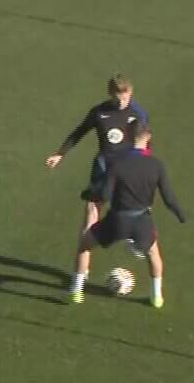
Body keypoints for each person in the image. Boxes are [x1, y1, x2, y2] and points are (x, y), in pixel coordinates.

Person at [70, 126, 184, 307]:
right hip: (142, 221)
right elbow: (169, 198)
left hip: (117, 220)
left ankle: (76, 291)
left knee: (85, 245)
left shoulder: (117, 163)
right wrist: (181, 215)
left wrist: (90, 194)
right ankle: (157, 297)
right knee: (154, 254)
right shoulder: (157, 165)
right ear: (148, 138)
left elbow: (105, 195)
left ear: (129, 138)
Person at [45, 75, 149, 232]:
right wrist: (60, 154)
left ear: (131, 92)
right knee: (92, 207)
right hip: (104, 165)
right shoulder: (99, 112)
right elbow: (80, 131)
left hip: (128, 166)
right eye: (117, 97)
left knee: (132, 207)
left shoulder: (138, 113)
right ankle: (85, 246)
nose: (121, 102)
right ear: (110, 93)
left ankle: (141, 238)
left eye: (125, 97)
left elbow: (145, 140)